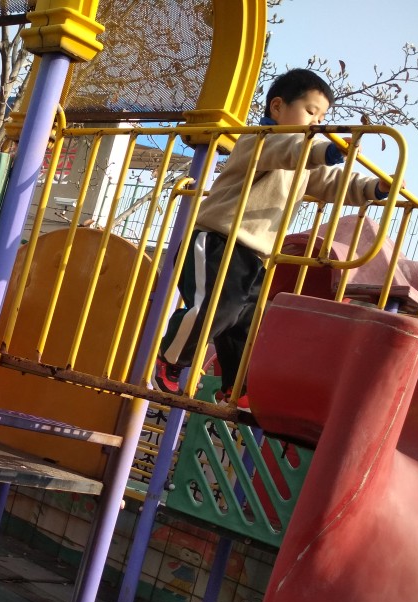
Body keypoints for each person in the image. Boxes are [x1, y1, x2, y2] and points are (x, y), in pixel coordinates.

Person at [154, 68, 392, 406]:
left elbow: (332, 183)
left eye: (322, 118)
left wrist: (374, 188)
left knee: (248, 323)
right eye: (311, 112)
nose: (317, 123)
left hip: (255, 256)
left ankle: (238, 387)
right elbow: (290, 150)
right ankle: (172, 358)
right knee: (218, 307)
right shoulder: (259, 140)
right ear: (277, 107)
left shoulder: (303, 158)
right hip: (217, 241)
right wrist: (326, 150)